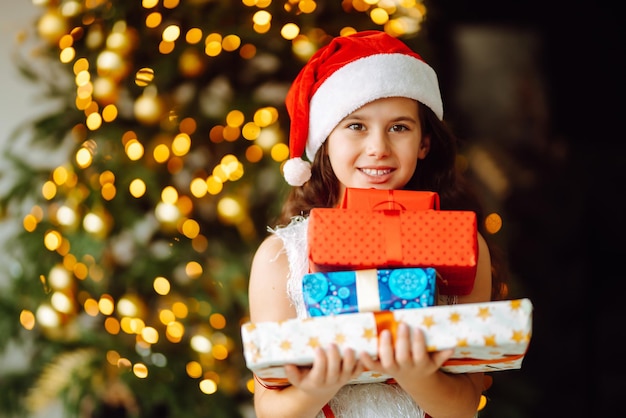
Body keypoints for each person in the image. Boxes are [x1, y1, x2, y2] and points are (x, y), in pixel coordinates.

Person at [248, 30, 507, 418]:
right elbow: (270, 408)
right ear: (325, 141)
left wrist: (414, 372)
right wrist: (322, 383)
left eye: (399, 127)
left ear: (424, 143)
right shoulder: (281, 258)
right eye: (356, 126)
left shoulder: (463, 246)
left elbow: (464, 407)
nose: (378, 148)